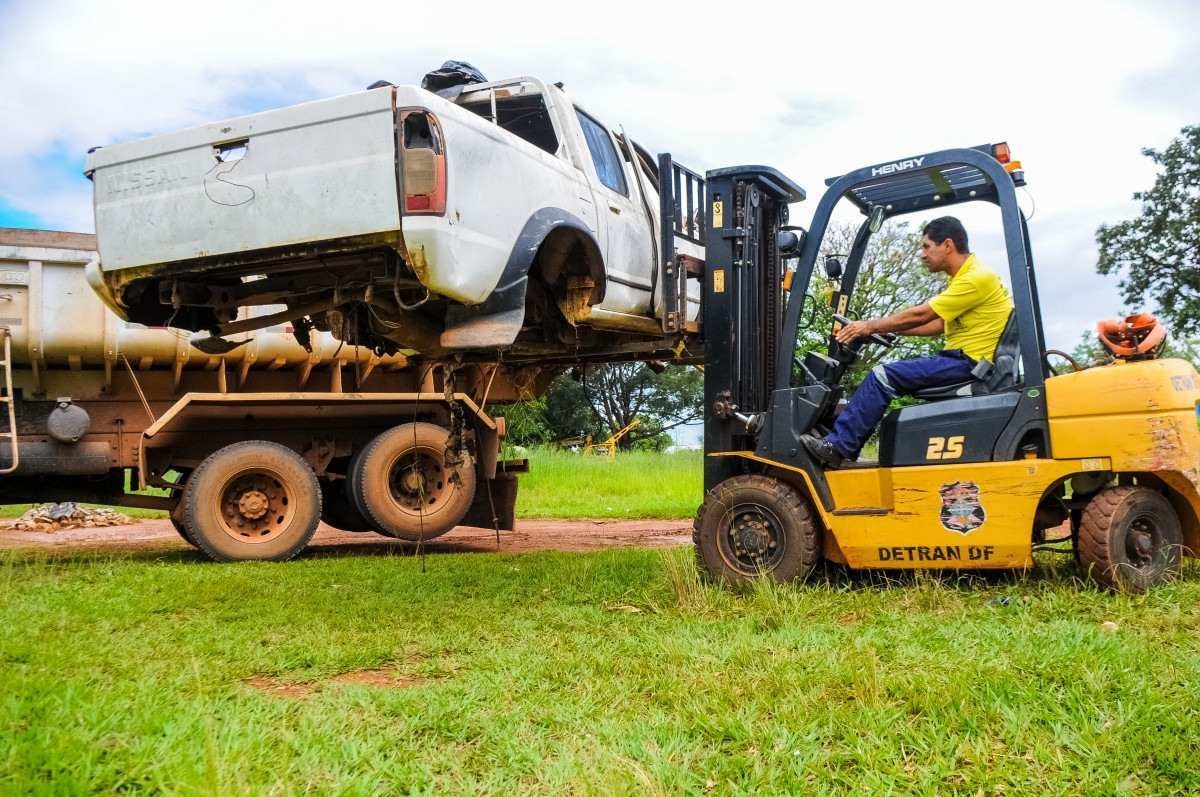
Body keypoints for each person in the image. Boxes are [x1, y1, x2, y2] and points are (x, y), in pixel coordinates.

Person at [801, 216, 1014, 468]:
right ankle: (841, 443)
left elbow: (921, 314)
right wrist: (893, 332)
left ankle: (837, 447)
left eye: (926, 246)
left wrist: (868, 325)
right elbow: (937, 325)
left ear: (947, 244)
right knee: (887, 374)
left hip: (969, 364)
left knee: (882, 375)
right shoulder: (967, 276)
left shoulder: (975, 278)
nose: (921, 254)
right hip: (965, 359)